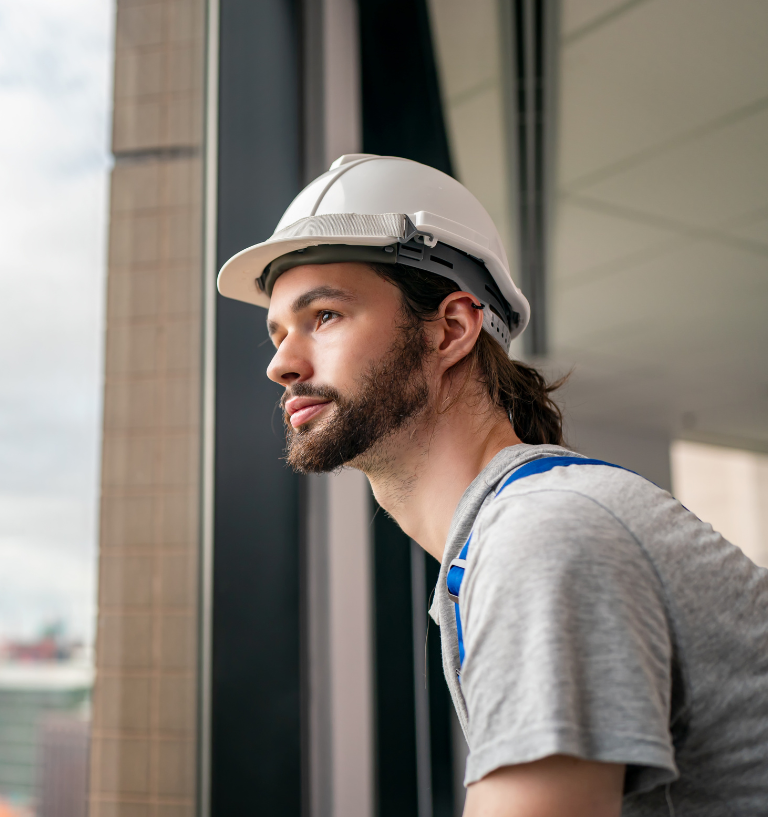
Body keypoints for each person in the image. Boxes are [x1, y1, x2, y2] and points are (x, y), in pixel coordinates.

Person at [217, 154, 768, 816]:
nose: (281, 362)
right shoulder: (514, 533)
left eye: (325, 316)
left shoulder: (543, 536)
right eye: (277, 333)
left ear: (451, 328)